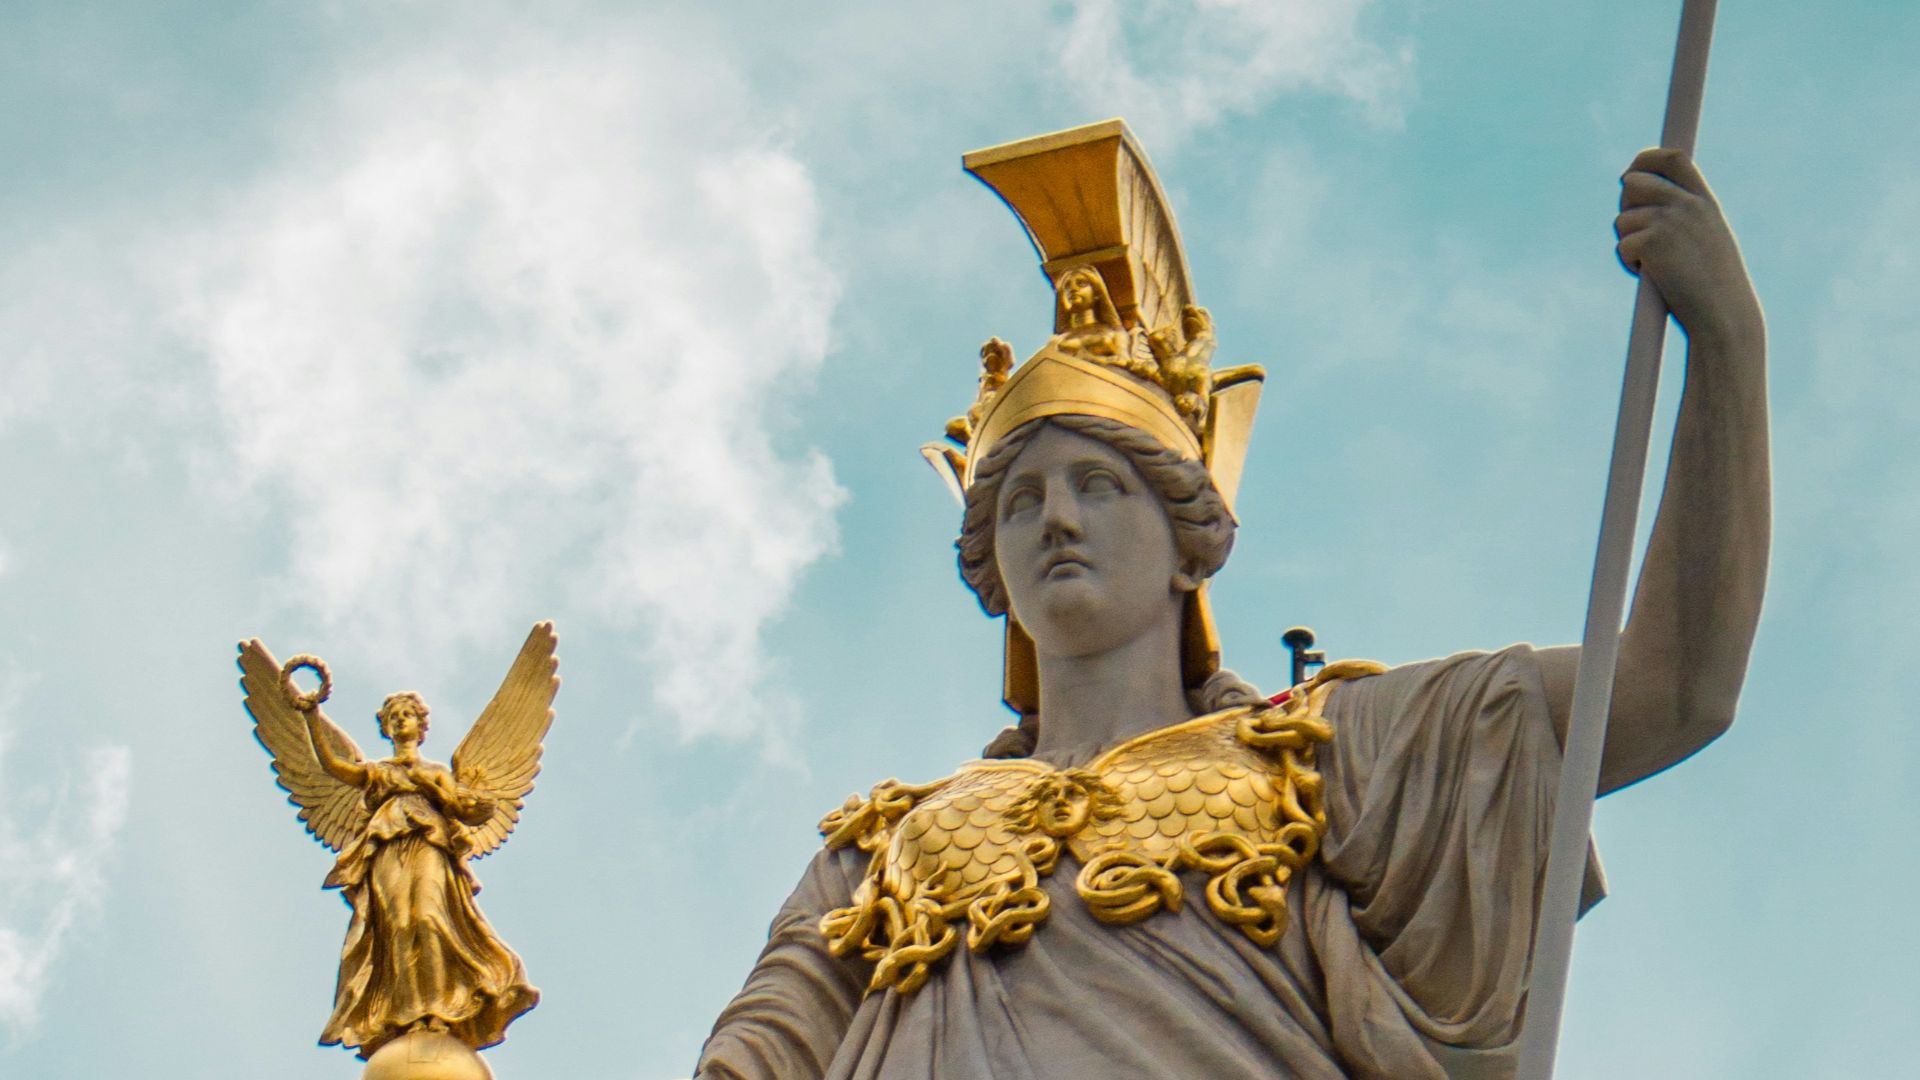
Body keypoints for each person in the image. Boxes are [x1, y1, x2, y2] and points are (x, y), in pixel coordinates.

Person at [692, 144, 1767, 1079]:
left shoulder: (1326, 754)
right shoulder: (882, 847)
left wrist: (1725, 341)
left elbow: (1672, 688)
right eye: (1019, 501)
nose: (1055, 518)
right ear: (991, 570)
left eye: (1097, 485)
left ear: (1186, 540)